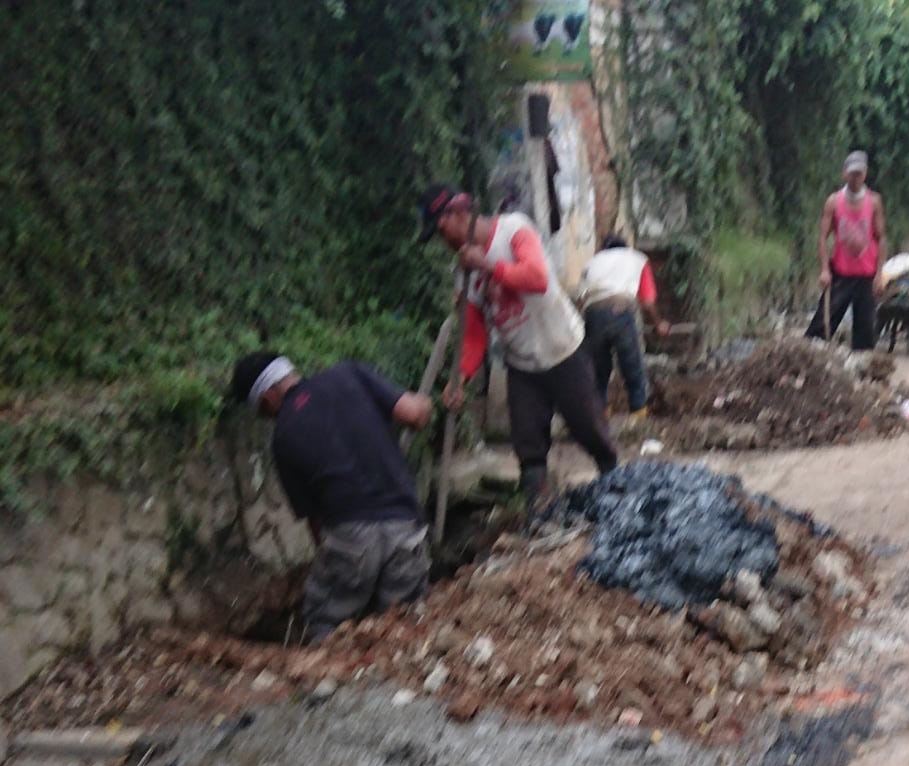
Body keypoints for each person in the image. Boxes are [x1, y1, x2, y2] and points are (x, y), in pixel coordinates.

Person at [418, 183, 618, 500]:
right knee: (528, 444)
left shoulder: (513, 230)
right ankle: (537, 513)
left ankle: (620, 491)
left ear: (458, 214)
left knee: (590, 431)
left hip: (562, 349)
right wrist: (461, 377)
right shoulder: (464, 275)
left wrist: (486, 264)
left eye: (443, 230)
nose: (444, 241)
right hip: (522, 365)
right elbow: (474, 335)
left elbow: (536, 278)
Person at [230, 353, 434, 643]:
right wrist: (426, 403)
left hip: (350, 538)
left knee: (326, 626)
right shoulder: (349, 375)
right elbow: (414, 414)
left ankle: (328, 682)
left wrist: (336, 563)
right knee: (404, 627)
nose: (267, 418)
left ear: (266, 399)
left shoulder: (282, 438)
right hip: (405, 528)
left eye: (263, 412)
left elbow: (315, 522)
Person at [578, 234, 671, 416]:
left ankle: (600, 416)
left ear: (603, 249)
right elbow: (647, 300)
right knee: (632, 366)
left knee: (599, 370)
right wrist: (658, 323)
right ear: (626, 248)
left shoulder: (591, 263)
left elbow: (582, 300)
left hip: (593, 314)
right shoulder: (637, 259)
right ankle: (638, 413)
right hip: (620, 311)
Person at [807, 151, 886, 351]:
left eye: (859, 173)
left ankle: (863, 374)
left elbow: (881, 238)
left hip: (866, 276)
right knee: (820, 328)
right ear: (844, 174)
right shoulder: (833, 202)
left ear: (865, 174)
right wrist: (825, 269)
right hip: (841, 275)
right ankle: (810, 361)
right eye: (852, 173)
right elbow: (823, 237)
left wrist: (879, 273)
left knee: (866, 332)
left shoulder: (874, 202)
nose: (855, 178)